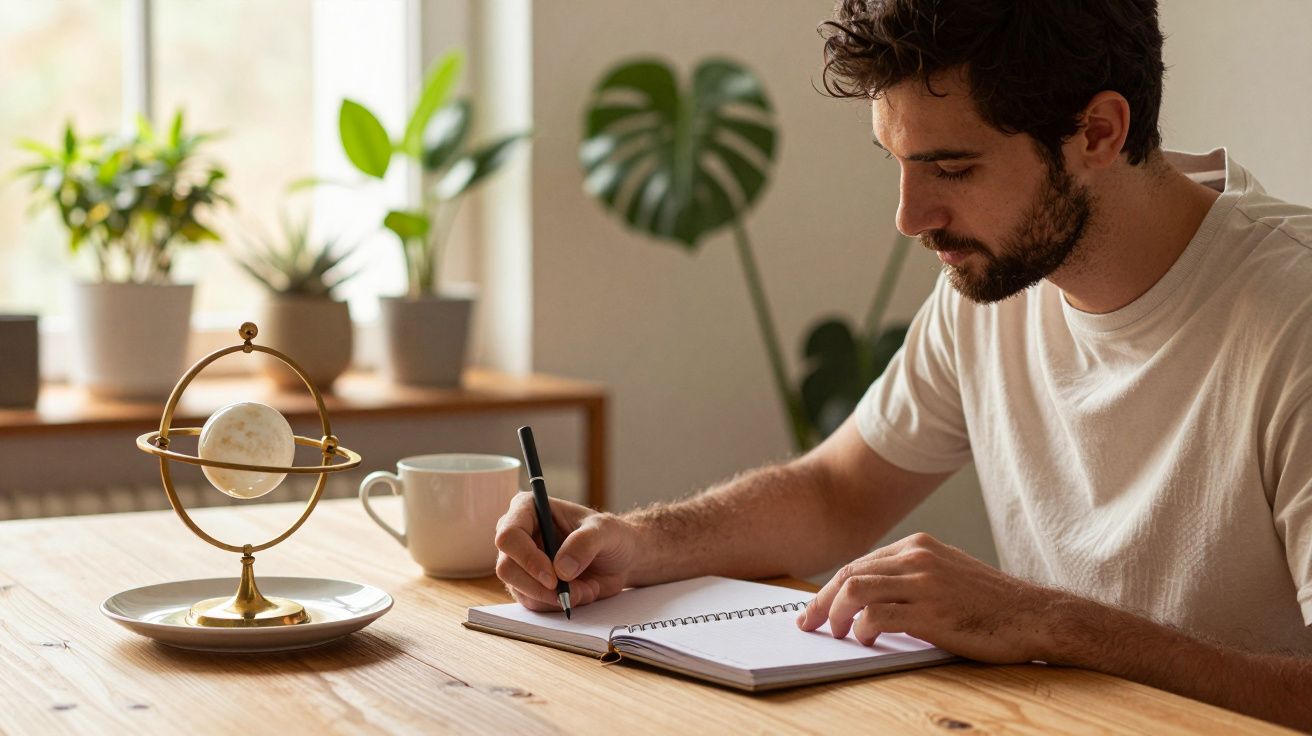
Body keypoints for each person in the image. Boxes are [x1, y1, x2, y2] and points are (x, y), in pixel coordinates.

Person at [494, 0, 1312, 728]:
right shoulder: (992, 282)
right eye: (899, 162)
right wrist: (636, 542)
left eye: (951, 168)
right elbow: (838, 492)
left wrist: (1048, 623)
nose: (910, 217)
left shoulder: (1292, 318)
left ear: (1098, 132)